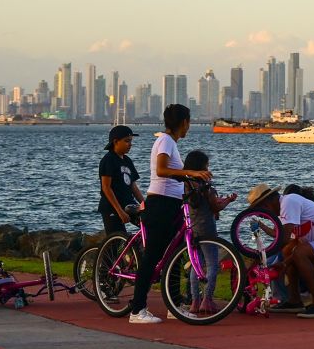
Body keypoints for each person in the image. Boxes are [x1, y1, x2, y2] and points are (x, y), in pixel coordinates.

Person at [128, 104, 211, 324]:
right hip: (160, 205)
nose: (189, 127)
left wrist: (193, 179)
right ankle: (137, 310)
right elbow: (162, 170)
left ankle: (173, 306)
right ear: (184, 122)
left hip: (171, 204)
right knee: (152, 257)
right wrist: (191, 171)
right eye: (189, 122)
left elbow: (174, 174)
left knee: (173, 257)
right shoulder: (165, 141)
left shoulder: (171, 143)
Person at [246, 182, 314, 318]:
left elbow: (284, 238)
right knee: (289, 251)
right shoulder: (285, 209)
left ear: (267, 204)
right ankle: (294, 300)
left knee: (298, 252)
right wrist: (284, 262)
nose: (263, 215)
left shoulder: (289, 201)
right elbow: (286, 243)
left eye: (261, 211)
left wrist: (260, 257)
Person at [181, 149, 235, 315]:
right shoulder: (206, 187)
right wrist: (228, 200)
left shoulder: (186, 184)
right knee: (212, 265)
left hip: (192, 229)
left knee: (195, 265)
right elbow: (215, 207)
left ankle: (195, 301)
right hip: (208, 229)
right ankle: (207, 299)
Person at [98, 126, 144, 236]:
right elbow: (106, 187)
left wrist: (144, 204)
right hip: (112, 208)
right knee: (117, 241)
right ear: (115, 142)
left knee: (150, 225)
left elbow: (133, 187)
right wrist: (120, 212)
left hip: (129, 205)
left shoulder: (127, 160)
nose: (130, 144)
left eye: (131, 141)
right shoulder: (108, 160)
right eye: (127, 141)